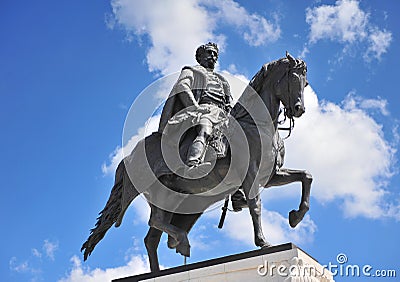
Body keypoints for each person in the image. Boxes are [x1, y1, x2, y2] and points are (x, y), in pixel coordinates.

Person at [158, 42, 232, 168]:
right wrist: (194, 107)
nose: (213, 56)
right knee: (205, 130)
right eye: (209, 52)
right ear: (200, 57)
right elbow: (182, 86)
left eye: (215, 54)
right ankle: (193, 163)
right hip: (203, 110)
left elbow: (229, 101)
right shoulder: (191, 71)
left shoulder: (222, 81)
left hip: (223, 114)